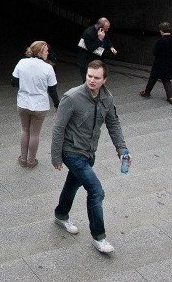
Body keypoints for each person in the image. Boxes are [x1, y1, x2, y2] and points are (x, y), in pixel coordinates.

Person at [51, 60, 129, 254]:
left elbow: (114, 124)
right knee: (96, 191)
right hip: (72, 151)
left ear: (104, 79)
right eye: (89, 76)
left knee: (72, 184)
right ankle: (99, 237)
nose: (92, 80)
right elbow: (58, 128)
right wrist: (56, 157)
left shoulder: (107, 98)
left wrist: (122, 150)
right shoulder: (72, 97)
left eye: (96, 77)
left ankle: (61, 214)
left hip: (89, 152)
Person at [12, 41, 59, 168]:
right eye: (46, 51)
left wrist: (26, 85)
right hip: (40, 105)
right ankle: (31, 160)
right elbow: (52, 90)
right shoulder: (48, 68)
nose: (48, 53)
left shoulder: (22, 62)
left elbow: (13, 82)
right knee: (35, 134)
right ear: (39, 52)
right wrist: (57, 105)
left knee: (24, 130)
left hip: (23, 102)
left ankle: (23, 159)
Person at [138, 22, 172, 105]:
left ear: (161, 30)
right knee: (166, 80)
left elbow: (155, 52)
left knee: (153, 78)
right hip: (170, 63)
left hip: (159, 63)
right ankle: (170, 97)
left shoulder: (160, 41)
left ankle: (147, 92)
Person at [76, 18, 117, 82]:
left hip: (98, 60)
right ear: (100, 26)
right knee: (88, 82)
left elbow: (107, 38)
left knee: (98, 81)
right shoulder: (88, 33)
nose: (107, 30)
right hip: (87, 61)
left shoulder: (103, 30)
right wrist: (99, 39)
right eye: (106, 28)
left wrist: (111, 47)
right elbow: (90, 48)